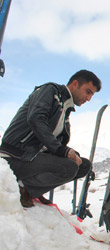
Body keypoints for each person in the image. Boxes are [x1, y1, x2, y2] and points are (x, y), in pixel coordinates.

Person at [0, 70, 101, 208]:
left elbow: (55, 142)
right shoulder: (50, 91)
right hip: (16, 155)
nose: (89, 98)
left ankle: (31, 190)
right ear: (75, 84)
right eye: (88, 91)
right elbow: (36, 118)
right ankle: (24, 188)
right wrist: (62, 150)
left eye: (92, 95)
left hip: (33, 157)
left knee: (83, 166)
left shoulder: (65, 110)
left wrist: (69, 153)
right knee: (69, 167)